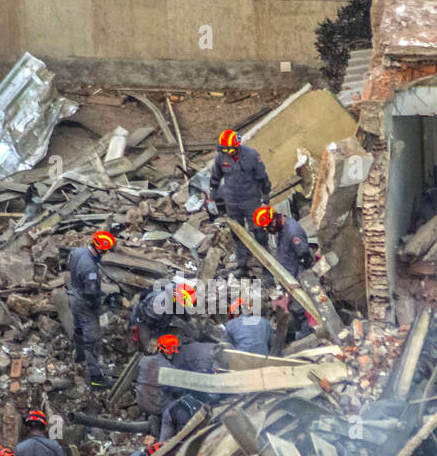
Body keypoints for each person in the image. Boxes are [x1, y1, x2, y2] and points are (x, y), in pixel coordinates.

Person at [207, 130, 271, 273]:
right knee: (237, 233)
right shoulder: (221, 157)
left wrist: (266, 198)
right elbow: (215, 178)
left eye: (229, 150)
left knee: (259, 232)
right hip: (231, 201)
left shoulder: (252, 155)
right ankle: (242, 265)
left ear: (237, 146)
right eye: (224, 150)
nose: (227, 153)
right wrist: (212, 196)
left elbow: (263, 178)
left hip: (251, 200)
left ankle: (267, 268)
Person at [254, 205, 315, 339]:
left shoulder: (293, 232)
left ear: (274, 221)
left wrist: (299, 282)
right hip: (287, 279)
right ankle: (293, 333)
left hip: (296, 280)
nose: (268, 232)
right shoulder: (280, 230)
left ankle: (306, 337)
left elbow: (306, 260)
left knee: (301, 310)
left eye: (267, 228)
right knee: (291, 310)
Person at [68, 231, 116, 387]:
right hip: (84, 303)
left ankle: (79, 358)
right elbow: (91, 293)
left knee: (79, 329)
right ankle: (96, 378)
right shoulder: (90, 269)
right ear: (100, 249)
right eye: (105, 251)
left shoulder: (77, 252)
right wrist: (99, 307)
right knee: (92, 340)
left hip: (73, 295)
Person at [130, 280, 196, 352]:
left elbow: (181, 307)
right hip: (144, 320)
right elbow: (153, 324)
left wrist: (188, 319)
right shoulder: (159, 303)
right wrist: (155, 338)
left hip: (158, 316)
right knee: (149, 349)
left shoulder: (175, 289)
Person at [135, 335, 179, 433]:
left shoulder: (144, 360)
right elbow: (176, 389)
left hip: (141, 402)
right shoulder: (168, 367)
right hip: (157, 407)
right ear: (170, 353)